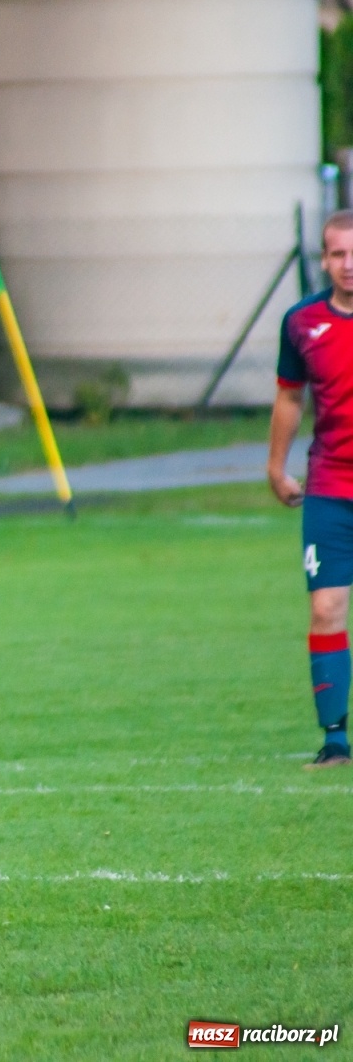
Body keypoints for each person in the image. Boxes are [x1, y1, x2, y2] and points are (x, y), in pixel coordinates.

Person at [269, 209, 353, 770]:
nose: (350, 264)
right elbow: (289, 399)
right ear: (324, 260)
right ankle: (335, 739)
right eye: (339, 254)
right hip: (330, 484)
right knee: (326, 607)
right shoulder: (301, 323)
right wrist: (276, 466)